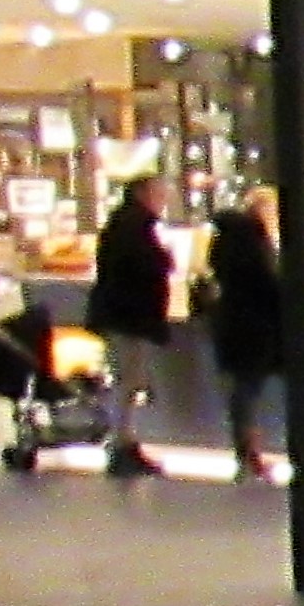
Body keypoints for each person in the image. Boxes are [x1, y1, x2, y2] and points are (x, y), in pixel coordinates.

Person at [84, 175, 176, 478]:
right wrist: (164, 260)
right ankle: (121, 444)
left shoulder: (125, 224)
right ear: (142, 193)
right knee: (128, 381)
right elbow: (143, 267)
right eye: (159, 192)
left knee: (128, 381)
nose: (163, 199)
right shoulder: (135, 227)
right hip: (129, 318)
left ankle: (123, 441)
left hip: (122, 316)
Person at [199, 188, 285, 479]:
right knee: (249, 391)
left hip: (230, 324)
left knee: (241, 393)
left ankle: (246, 454)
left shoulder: (224, 239)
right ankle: (251, 455)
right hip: (256, 327)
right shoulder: (255, 241)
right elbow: (267, 283)